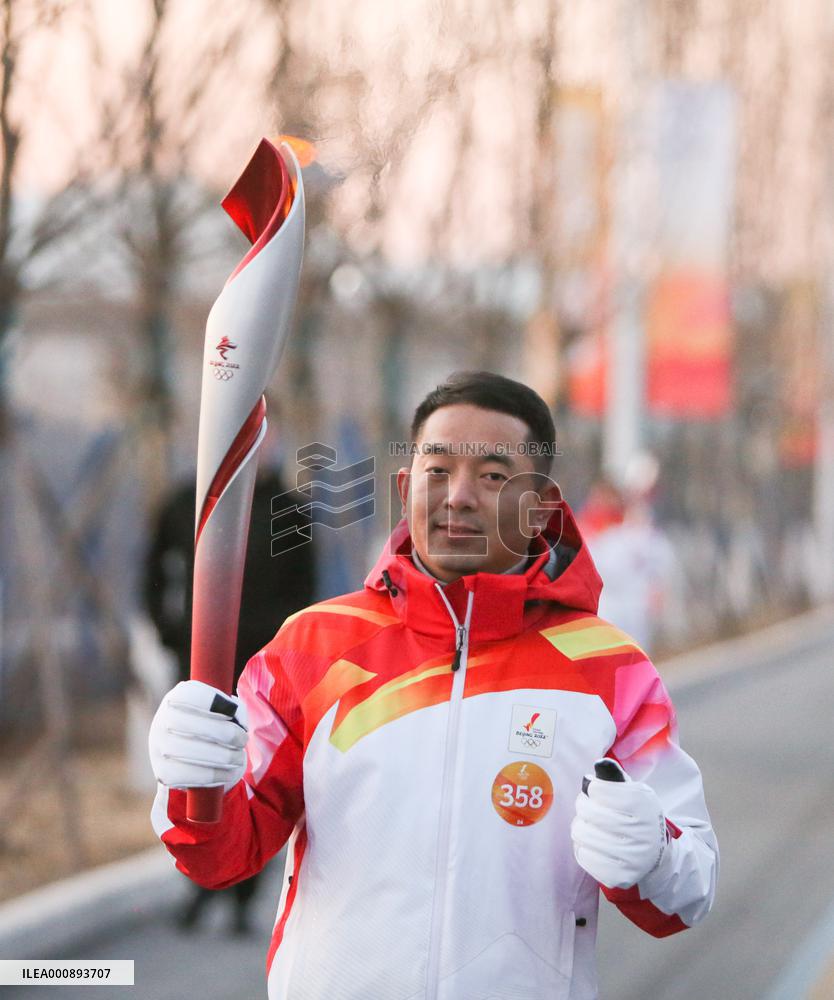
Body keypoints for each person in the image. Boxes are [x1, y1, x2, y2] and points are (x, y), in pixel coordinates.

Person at [149, 371, 717, 998]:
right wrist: (194, 783)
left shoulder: (612, 671)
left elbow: (682, 899)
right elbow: (221, 856)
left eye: (494, 476)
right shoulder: (312, 648)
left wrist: (650, 856)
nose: (459, 496)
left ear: (543, 507)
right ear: (404, 487)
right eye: (437, 470)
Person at [144, 457, 316, 933]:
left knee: (254, 776)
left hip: (262, 668)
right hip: (199, 663)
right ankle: (199, 888)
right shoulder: (188, 502)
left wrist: (284, 653)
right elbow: (154, 569)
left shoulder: (290, 510)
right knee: (195, 771)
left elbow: (305, 590)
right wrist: (169, 631)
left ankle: (243, 897)